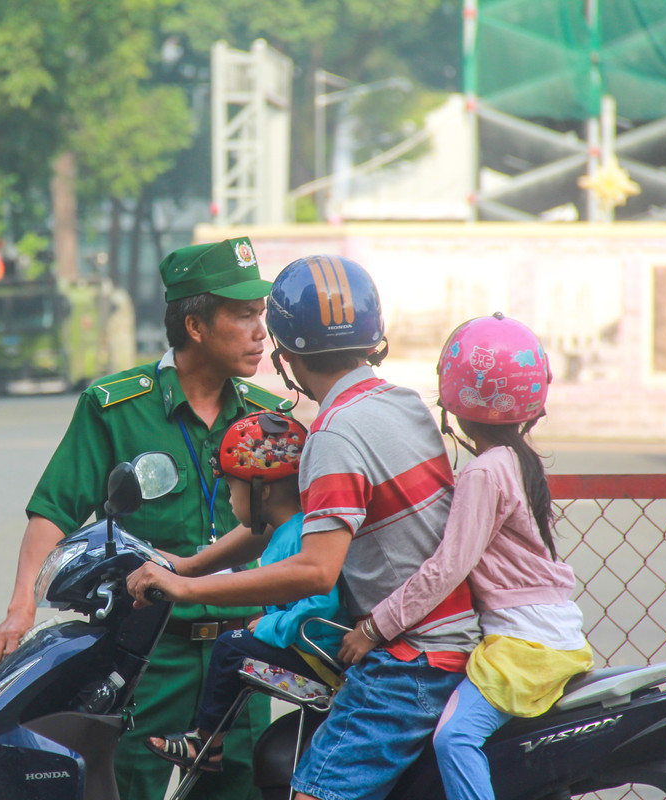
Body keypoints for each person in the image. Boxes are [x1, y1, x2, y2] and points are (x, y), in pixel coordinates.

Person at [127, 255, 481, 800]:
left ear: (286, 355)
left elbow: (316, 571)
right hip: (447, 640)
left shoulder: (335, 434)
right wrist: (186, 566)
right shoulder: (401, 403)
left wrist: (188, 588)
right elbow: (291, 525)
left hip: (408, 662)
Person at [0, 237, 293, 800]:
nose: (259, 332)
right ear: (195, 325)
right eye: (243, 315)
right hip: (146, 657)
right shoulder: (115, 408)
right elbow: (54, 509)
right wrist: (20, 605)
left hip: (244, 656)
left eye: (260, 314)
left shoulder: (271, 419)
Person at [337, 313, 593, 800]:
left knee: (454, 738)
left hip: (523, 642)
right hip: (552, 630)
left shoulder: (483, 471)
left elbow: (445, 568)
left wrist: (374, 626)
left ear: (452, 402)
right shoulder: (520, 459)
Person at [145, 411, 348, 774]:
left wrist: (269, 626)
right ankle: (210, 738)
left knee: (230, 645)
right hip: (304, 645)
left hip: (319, 655)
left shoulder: (300, 537)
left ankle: (207, 742)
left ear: (262, 491)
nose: (228, 502)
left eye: (230, 490)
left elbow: (321, 602)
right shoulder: (289, 530)